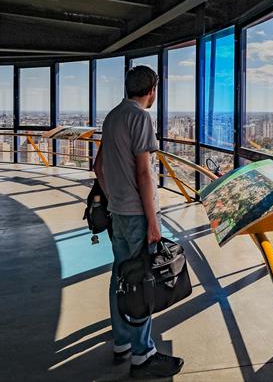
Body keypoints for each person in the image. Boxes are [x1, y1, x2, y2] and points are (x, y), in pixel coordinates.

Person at [94, 65, 184, 379]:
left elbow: (98, 166)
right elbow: (145, 174)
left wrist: (113, 196)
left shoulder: (112, 116)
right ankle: (142, 354)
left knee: (121, 273)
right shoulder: (140, 118)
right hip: (135, 214)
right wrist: (153, 221)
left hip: (118, 211)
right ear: (151, 91)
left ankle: (121, 341)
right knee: (143, 280)